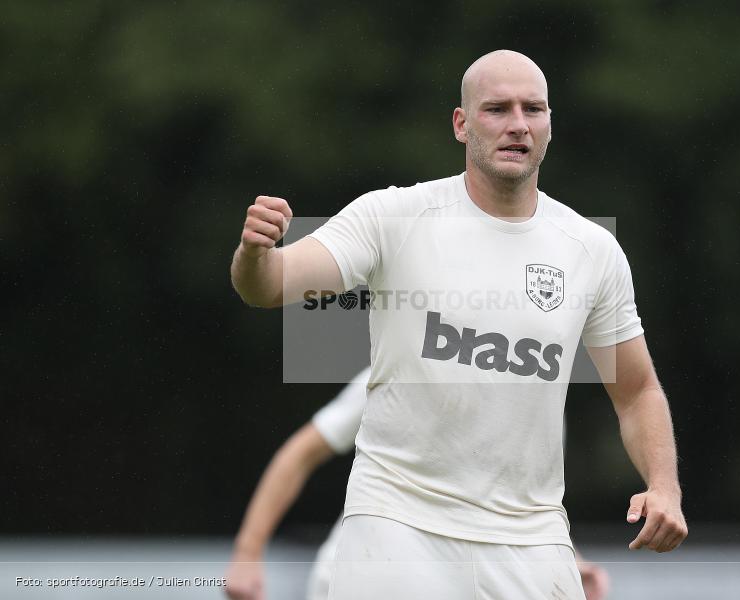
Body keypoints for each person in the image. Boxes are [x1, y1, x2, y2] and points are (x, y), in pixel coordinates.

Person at [231, 50, 686, 599]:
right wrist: (255, 254)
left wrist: (664, 487)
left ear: (548, 124)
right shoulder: (393, 216)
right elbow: (270, 286)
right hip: (397, 525)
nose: (518, 123)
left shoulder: (592, 250)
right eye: (497, 108)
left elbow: (636, 391)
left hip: (531, 538)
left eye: (533, 109)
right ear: (461, 123)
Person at [222, 367, 610, 600]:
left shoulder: (540, 401)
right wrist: (247, 552)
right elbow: (301, 453)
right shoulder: (401, 368)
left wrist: (568, 560)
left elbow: (521, 503)